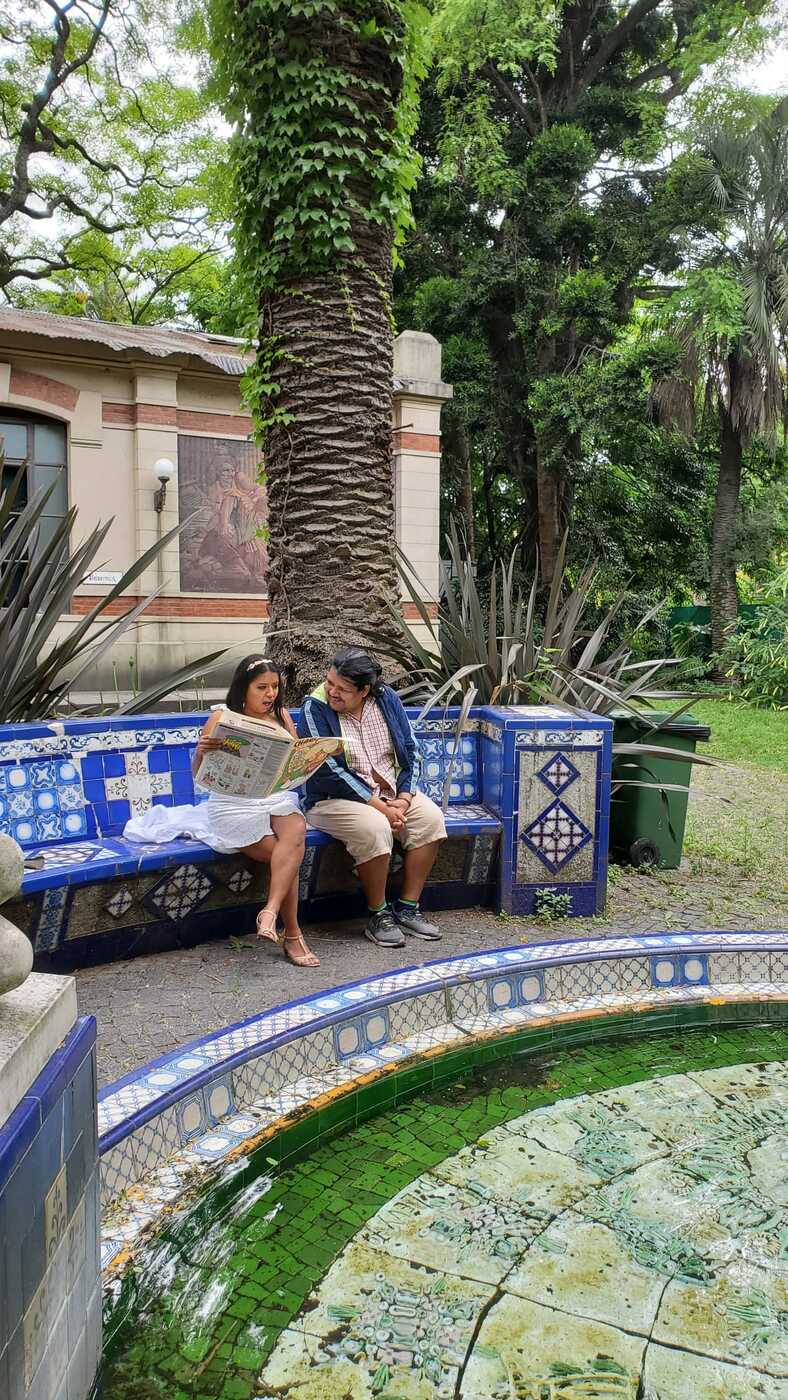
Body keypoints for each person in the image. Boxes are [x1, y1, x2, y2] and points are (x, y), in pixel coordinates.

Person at [124, 656, 318, 968]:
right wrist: (201, 754)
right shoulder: (222, 718)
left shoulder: (282, 716)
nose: (270, 694)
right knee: (289, 854)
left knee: (294, 830)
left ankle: (270, 912)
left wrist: (302, 760)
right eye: (262, 687)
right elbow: (199, 776)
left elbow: (292, 766)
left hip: (274, 798)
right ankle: (292, 934)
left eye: (275, 687)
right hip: (233, 803)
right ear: (244, 688)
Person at [298, 647, 447, 948]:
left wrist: (403, 799)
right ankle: (378, 914)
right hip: (331, 798)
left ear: (365, 690)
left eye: (342, 688)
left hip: (390, 793)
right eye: (329, 683)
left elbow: (410, 749)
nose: (331, 692)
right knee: (375, 828)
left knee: (431, 820)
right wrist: (381, 807)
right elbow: (325, 770)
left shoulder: (387, 699)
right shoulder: (315, 708)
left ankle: (407, 908)